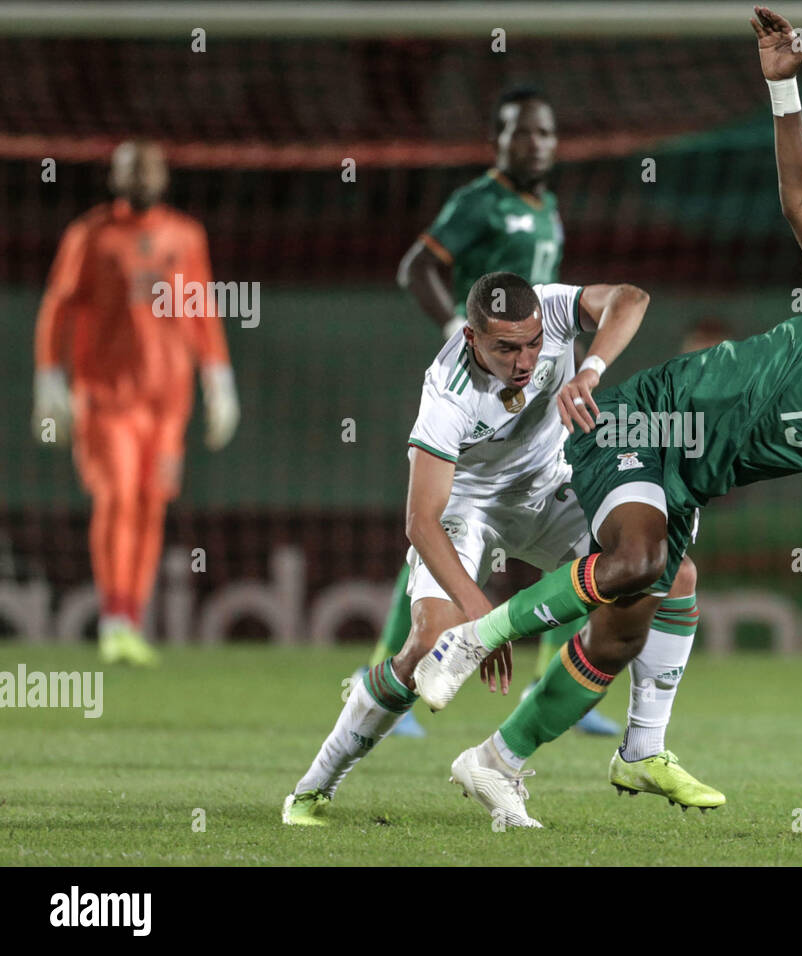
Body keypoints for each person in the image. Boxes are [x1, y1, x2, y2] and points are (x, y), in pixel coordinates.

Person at [413, 6, 802, 828]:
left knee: (624, 632)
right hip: (646, 420)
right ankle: (478, 634)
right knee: (639, 561)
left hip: (688, 482)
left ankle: (501, 761)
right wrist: (784, 93)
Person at [283, 273, 723, 827]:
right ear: (471, 338)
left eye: (533, 344)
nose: (524, 359)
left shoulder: (554, 310)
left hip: (551, 486)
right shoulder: (447, 392)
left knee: (672, 574)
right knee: (428, 644)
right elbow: (420, 521)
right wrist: (478, 620)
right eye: (506, 348)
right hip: (469, 507)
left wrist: (590, 370)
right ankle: (315, 786)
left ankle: (643, 750)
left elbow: (632, 298)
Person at [380, 85, 618, 736]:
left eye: (545, 133)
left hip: (531, 388)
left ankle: (554, 677)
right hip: (478, 385)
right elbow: (416, 267)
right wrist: (455, 324)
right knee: (441, 526)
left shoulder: (547, 209)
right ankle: (390, 669)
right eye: (522, 133)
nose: (536, 144)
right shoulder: (479, 201)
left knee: (577, 524)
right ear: (499, 141)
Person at [32, 140, 238, 665]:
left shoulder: (185, 235)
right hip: (106, 397)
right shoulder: (91, 235)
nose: (142, 177)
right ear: (115, 177)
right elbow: (58, 306)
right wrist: (49, 377)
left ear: (164, 177)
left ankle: (130, 618)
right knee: (117, 495)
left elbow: (202, 309)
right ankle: (114, 616)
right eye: (133, 169)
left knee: (150, 502)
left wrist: (218, 378)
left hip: (169, 400)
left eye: (150, 169)